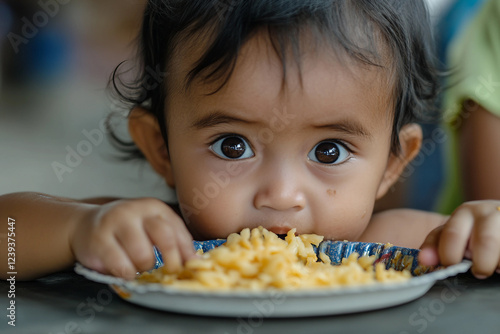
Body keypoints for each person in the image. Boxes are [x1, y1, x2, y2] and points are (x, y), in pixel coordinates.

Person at [1, 0, 499, 282]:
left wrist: (485, 232)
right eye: (232, 146)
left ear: (393, 163)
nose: (281, 195)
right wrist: (77, 228)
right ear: (161, 149)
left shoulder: (401, 247)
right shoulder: (155, 242)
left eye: (329, 151)